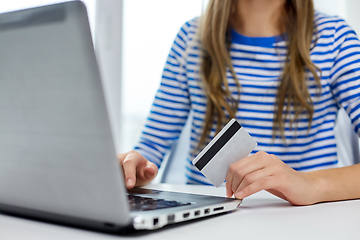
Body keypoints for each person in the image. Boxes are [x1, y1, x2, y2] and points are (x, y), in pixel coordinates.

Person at [118, 0, 360, 205]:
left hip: (301, 218)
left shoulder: (334, 40)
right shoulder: (191, 39)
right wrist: (133, 167)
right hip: (205, 219)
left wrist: (309, 184)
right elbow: (150, 149)